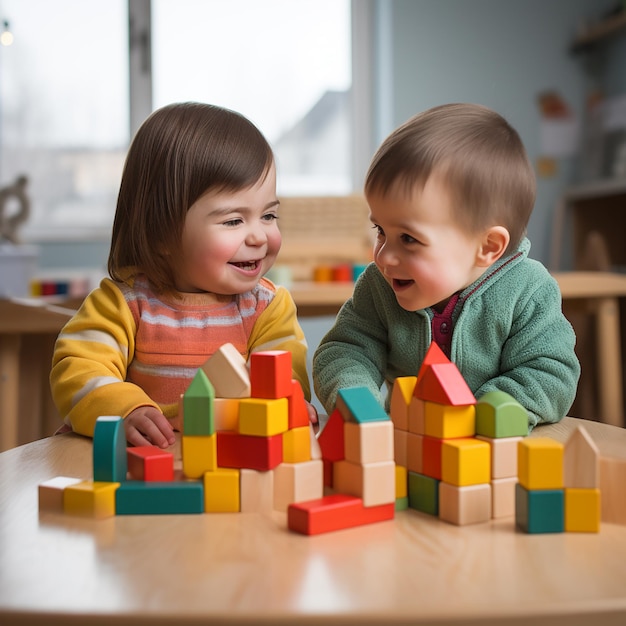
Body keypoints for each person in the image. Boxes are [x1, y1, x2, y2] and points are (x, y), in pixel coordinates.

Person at [51, 102, 317, 448]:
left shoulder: (267, 308)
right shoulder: (124, 304)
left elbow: (285, 379)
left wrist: (285, 400)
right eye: (234, 221)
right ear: (162, 234)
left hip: (228, 465)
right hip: (143, 467)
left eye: (268, 216)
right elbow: (78, 369)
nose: (259, 236)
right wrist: (125, 410)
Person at [313, 103, 580, 431]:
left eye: (408, 239)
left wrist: (482, 413)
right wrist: (358, 401)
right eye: (381, 230)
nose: (383, 256)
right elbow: (346, 349)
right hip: (409, 443)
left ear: (487, 248)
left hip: (493, 449)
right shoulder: (377, 286)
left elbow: (550, 373)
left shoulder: (528, 290)